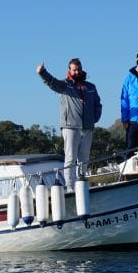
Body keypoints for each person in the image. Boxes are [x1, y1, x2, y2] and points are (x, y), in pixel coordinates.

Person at [37, 58, 103, 188]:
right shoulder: (65, 85)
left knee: (84, 158)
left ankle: (82, 184)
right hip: (70, 127)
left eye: (79, 69)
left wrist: (94, 118)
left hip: (87, 128)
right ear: (69, 70)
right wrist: (42, 72)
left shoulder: (91, 87)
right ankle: (70, 186)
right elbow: (51, 82)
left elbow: (97, 104)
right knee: (70, 158)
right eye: (74, 70)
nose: (77, 72)